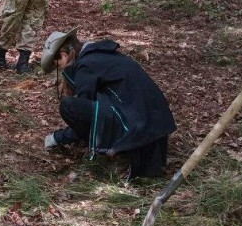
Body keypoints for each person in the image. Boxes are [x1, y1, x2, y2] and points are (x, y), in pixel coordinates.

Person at [41, 28, 177, 178]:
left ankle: (121, 156)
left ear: (64, 55)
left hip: (136, 130)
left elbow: (82, 114)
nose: (60, 69)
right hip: (154, 127)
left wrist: (57, 138)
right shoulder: (101, 56)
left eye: (58, 64)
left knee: (69, 107)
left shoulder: (86, 66)